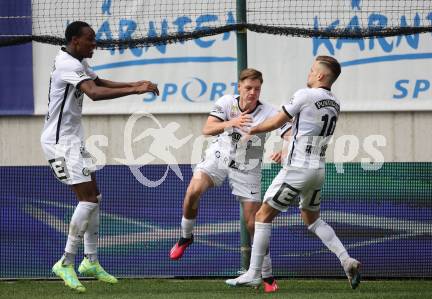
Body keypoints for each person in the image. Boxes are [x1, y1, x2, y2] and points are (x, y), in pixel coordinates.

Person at [40, 21, 159, 293]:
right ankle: (66, 261)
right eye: (90, 39)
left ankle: (90, 261)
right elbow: (93, 93)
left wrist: (135, 83)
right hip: (59, 144)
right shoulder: (67, 64)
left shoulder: (76, 61)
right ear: (74, 41)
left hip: (73, 139)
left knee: (95, 196)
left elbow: (99, 81)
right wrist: (135, 90)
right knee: (87, 199)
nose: (95, 43)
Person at [226, 56, 361, 290]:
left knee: (261, 216)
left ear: (320, 75)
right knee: (313, 219)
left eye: (311, 70)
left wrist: (251, 128)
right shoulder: (335, 102)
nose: (308, 74)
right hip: (318, 170)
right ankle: (346, 259)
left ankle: (254, 273)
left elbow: (277, 121)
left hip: (298, 168)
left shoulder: (305, 94)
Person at [168, 68, 291, 293]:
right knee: (193, 191)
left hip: (248, 167)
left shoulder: (270, 111)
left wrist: (283, 150)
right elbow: (207, 129)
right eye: (248, 88)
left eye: (257, 89)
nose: (252, 92)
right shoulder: (226, 102)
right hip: (219, 156)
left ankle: (267, 275)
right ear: (239, 87)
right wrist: (231, 123)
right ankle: (186, 237)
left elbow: (289, 134)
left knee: (254, 223)